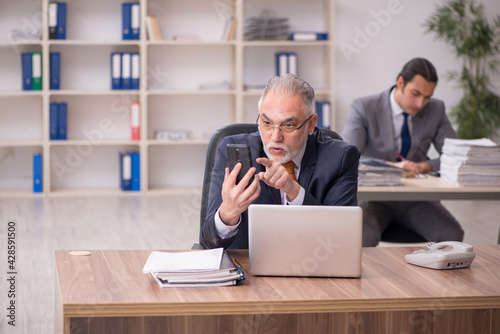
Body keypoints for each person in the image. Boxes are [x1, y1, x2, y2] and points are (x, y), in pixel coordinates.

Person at [202, 74, 360, 249]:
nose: (275, 137)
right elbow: (210, 242)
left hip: (313, 268)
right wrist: (227, 215)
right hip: (248, 268)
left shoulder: (342, 158)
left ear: (311, 124)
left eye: (289, 125)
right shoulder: (233, 149)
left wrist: (294, 191)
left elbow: (341, 239)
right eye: (267, 122)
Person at [342, 57, 464, 247]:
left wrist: (424, 166)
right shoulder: (364, 107)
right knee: (360, 235)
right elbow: (348, 157)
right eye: (415, 94)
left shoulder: (436, 109)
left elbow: (456, 155)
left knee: (452, 233)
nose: (420, 103)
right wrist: (394, 168)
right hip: (375, 196)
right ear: (400, 83)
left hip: (417, 197)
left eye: (427, 97)